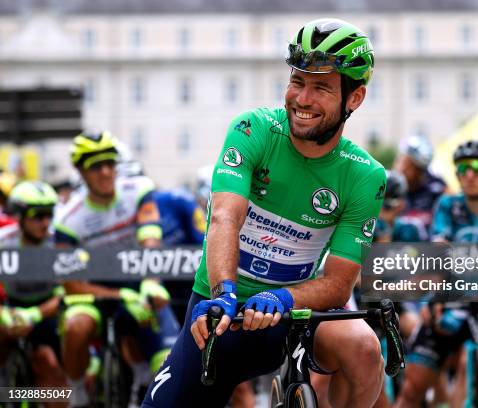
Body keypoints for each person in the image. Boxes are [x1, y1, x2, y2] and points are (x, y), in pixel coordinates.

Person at [143, 18, 387, 407]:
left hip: (294, 314)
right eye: (297, 81)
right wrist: (225, 291)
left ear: (353, 98)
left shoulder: (365, 175)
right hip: (220, 312)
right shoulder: (252, 129)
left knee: (364, 348)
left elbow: (339, 286)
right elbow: (225, 217)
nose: (303, 99)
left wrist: (284, 298)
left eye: (321, 87)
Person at [53, 131, 178, 408]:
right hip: (93, 293)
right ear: (81, 171)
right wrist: (119, 295)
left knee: (168, 364)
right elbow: (70, 284)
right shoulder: (67, 219)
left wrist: (151, 279)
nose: (106, 171)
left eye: (111, 163)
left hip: (140, 283)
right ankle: (78, 392)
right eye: (96, 166)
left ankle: (143, 376)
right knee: (76, 325)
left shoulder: (138, 190)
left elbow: (151, 239)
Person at [395, 141, 478, 408]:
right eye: (463, 168)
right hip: (451, 299)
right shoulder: (447, 205)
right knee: (411, 390)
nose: (469, 175)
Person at [0, 181, 67, 395]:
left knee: (46, 360)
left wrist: (36, 314)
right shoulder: (3, 241)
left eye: (49, 214)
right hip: (10, 307)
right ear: (19, 216)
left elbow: (70, 290)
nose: (45, 222)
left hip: (48, 309)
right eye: (38, 215)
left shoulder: (58, 242)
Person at [394, 135, 446, 233]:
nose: (401, 168)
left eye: (407, 165)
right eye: (399, 161)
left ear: (420, 171)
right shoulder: (387, 186)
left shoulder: (437, 189)